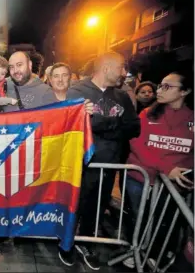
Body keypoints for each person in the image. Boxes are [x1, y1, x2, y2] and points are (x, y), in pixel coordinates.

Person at [66, 52, 140, 270]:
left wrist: (100, 123)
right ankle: (67, 243)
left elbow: (134, 127)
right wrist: (111, 123)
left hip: (109, 165)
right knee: (75, 205)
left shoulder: (122, 97)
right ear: (107, 68)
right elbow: (74, 124)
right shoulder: (77, 90)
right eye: (120, 68)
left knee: (96, 207)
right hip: (82, 163)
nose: (123, 73)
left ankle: (87, 243)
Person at [122, 72, 193, 269]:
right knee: (138, 217)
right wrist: (166, 168)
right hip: (140, 178)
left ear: (185, 91)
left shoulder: (192, 119)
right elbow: (137, 144)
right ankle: (136, 248)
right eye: (160, 86)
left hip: (173, 186)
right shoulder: (147, 114)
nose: (159, 91)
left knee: (165, 222)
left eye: (167, 87)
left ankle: (155, 254)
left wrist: (183, 170)